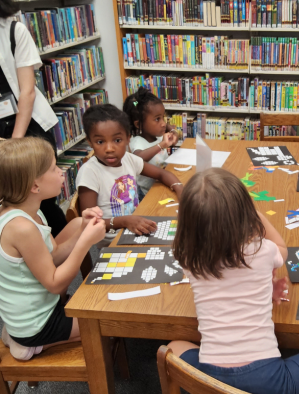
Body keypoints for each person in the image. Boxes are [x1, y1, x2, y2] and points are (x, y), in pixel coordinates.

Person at [167, 168, 299, 394]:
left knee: (173, 347)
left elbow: (230, 284)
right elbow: (283, 250)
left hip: (211, 378)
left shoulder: (189, 257)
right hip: (270, 381)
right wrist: (254, 213)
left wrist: (265, 288)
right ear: (245, 215)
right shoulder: (263, 250)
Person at [0, 137, 105, 361]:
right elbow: (55, 282)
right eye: (53, 168)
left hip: (37, 311)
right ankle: (32, 345)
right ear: (34, 186)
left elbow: (52, 256)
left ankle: (17, 334)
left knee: (77, 225)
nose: (61, 172)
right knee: (106, 323)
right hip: (40, 324)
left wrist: (80, 231)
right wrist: (86, 241)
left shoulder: (29, 211)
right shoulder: (21, 228)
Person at [0, 0, 67, 237]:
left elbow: (27, 92)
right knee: (9, 205)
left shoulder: (14, 30)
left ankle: (60, 259)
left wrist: (13, 144)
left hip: (26, 128)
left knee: (41, 201)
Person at [76, 104, 183, 243]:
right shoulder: (89, 172)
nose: (109, 148)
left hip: (136, 229)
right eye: (100, 142)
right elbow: (90, 223)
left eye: (117, 140)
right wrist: (125, 221)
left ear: (128, 139)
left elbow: (162, 174)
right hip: (113, 242)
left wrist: (180, 189)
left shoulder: (128, 159)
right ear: (90, 142)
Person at [123, 87, 179, 200]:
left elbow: (168, 127)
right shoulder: (137, 141)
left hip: (161, 183)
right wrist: (161, 145)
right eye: (157, 119)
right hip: (146, 193)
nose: (163, 123)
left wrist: (173, 132)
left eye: (163, 117)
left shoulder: (157, 134)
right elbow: (139, 158)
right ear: (138, 124)